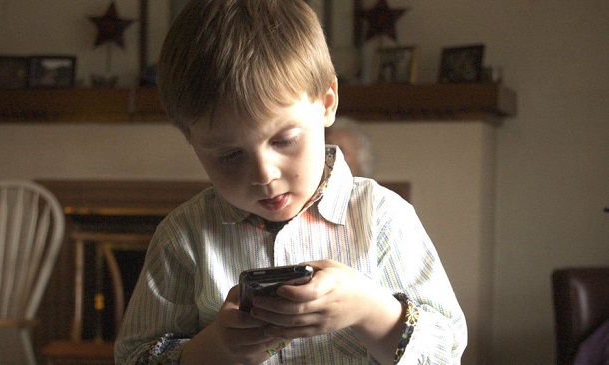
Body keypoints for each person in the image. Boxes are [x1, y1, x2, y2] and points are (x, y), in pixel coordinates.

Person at [115, 0, 467, 364]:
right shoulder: (183, 237)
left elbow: (446, 352)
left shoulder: (383, 219)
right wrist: (213, 348)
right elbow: (134, 357)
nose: (264, 175)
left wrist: (370, 310)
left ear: (327, 102)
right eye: (229, 156)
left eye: (284, 140)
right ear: (192, 141)